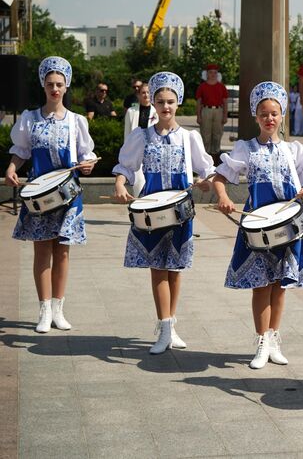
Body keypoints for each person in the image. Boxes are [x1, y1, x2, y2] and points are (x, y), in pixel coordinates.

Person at [213, 81, 303, 370]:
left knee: (279, 284)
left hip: (288, 227)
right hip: (258, 226)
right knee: (261, 285)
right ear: (256, 116)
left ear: (282, 115)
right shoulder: (246, 148)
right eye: (264, 113)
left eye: (274, 113)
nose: (269, 118)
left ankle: (274, 338)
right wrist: (224, 197)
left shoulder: (294, 150)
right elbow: (220, 176)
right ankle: (261, 340)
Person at [113, 71, 215, 354]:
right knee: (158, 268)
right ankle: (164, 327)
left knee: (175, 269)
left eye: (170, 101)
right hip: (152, 211)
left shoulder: (189, 137)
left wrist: (207, 183)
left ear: (178, 102)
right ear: (153, 104)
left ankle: (171, 325)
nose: (166, 106)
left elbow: (207, 169)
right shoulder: (142, 136)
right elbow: (125, 167)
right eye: (160, 101)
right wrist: (121, 184)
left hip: (180, 211)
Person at [4, 56, 97, 333]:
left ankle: (59, 309)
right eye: (50, 84)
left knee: (63, 252)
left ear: (66, 87)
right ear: (43, 86)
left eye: (59, 84)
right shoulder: (29, 119)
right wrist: (11, 167)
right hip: (39, 196)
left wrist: (89, 163)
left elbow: (86, 153)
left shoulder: (77, 121)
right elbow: (20, 151)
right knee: (42, 251)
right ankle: (44, 310)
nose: (55, 89)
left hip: (69, 195)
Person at [122, 83, 157, 197]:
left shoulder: (157, 111)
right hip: (136, 150)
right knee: (138, 182)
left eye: (148, 92)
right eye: (143, 93)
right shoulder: (131, 112)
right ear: (138, 95)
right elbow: (127, 134)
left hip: (152, 151)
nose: (146, 95)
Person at [195, 64, 228, 155]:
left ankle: (216, 154)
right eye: (211, 72)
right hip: (206, 110)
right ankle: (206, 154)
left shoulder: (221, 86)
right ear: (207, 74)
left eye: (215, 72)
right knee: (205, 134)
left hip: (219, 111)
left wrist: (225, 115)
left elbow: (225, 102)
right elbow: (199, 102)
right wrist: (198, 116)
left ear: (217, 74)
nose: (213, 74)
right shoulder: (202, 86)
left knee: (217, 134)